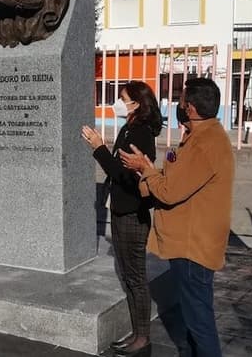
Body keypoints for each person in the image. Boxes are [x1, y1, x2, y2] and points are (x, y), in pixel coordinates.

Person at [120, 78, 233, 357]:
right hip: (190, 241)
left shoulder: (204, 143)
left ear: (191, 108)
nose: (178, 106)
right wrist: (150, 170)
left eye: (181, 101)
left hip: (193, 246)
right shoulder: (199, 136)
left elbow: (170, 192)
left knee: (199, 321)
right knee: (193, 318)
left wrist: (145, 169)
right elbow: (174, 175)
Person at [81, 81, 161, 357]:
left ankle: (143, 338)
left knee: (136, 278)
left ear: (136, 103)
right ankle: (137, 332)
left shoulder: (141, 133)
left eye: (122, 98)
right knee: (127, 277)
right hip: (120, 210)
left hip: (132, 214)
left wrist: (98, 148)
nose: (117, 102)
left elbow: (125, 176)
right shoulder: (129, 128)